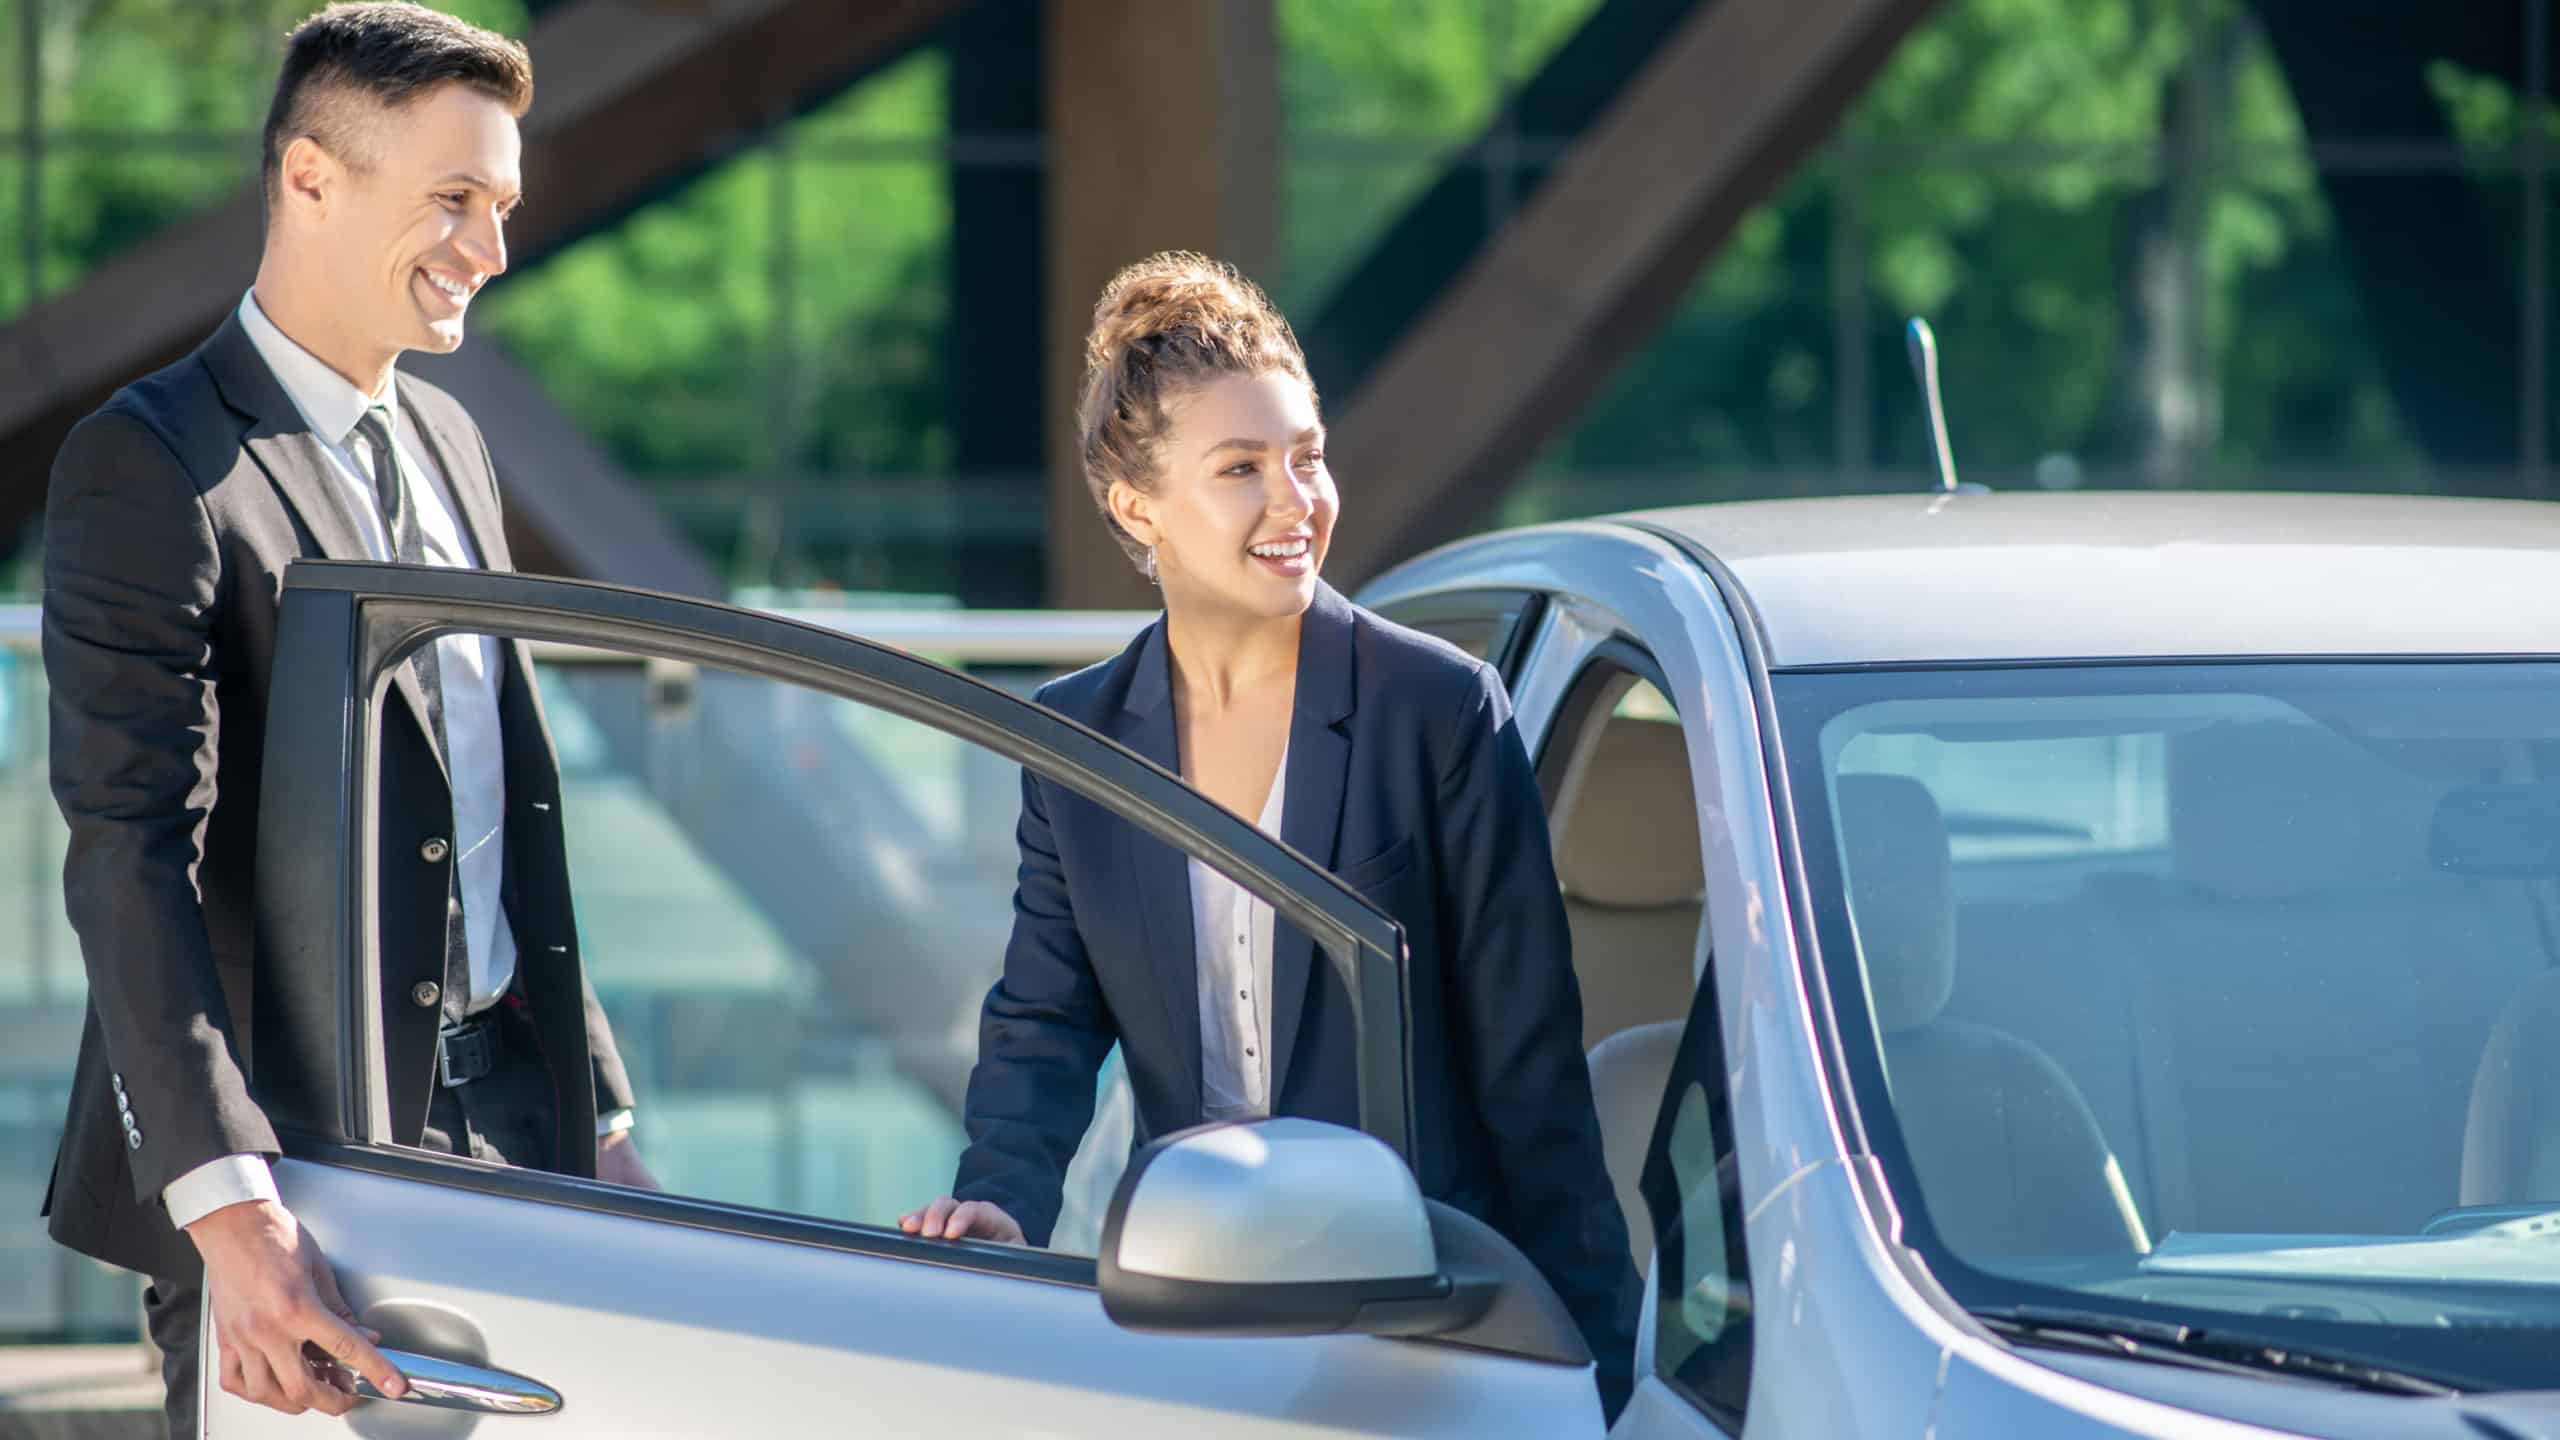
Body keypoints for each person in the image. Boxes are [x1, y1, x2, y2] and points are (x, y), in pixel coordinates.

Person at [40, 6, 650, 1435]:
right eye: (454, 201)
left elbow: (502, 819)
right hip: (297, 1174)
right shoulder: (154, 463)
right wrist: (233, 1213)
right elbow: (132, 857)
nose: (489, 251)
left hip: (513, 1129)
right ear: (311, 181)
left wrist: (603, 1120)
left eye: (499, 208)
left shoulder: (451, 442)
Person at [901, 252, 1640, 1411]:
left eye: (1307, 456)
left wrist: (1597, 1368)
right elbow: (1043, 1021)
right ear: (1136, 506)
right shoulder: (1077, 740)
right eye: (1242, 468)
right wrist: (1001, 1195)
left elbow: (1528, 1074)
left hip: (1420, 1325)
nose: (1296, 500)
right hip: (1186, 1322)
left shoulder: (1436, 711)